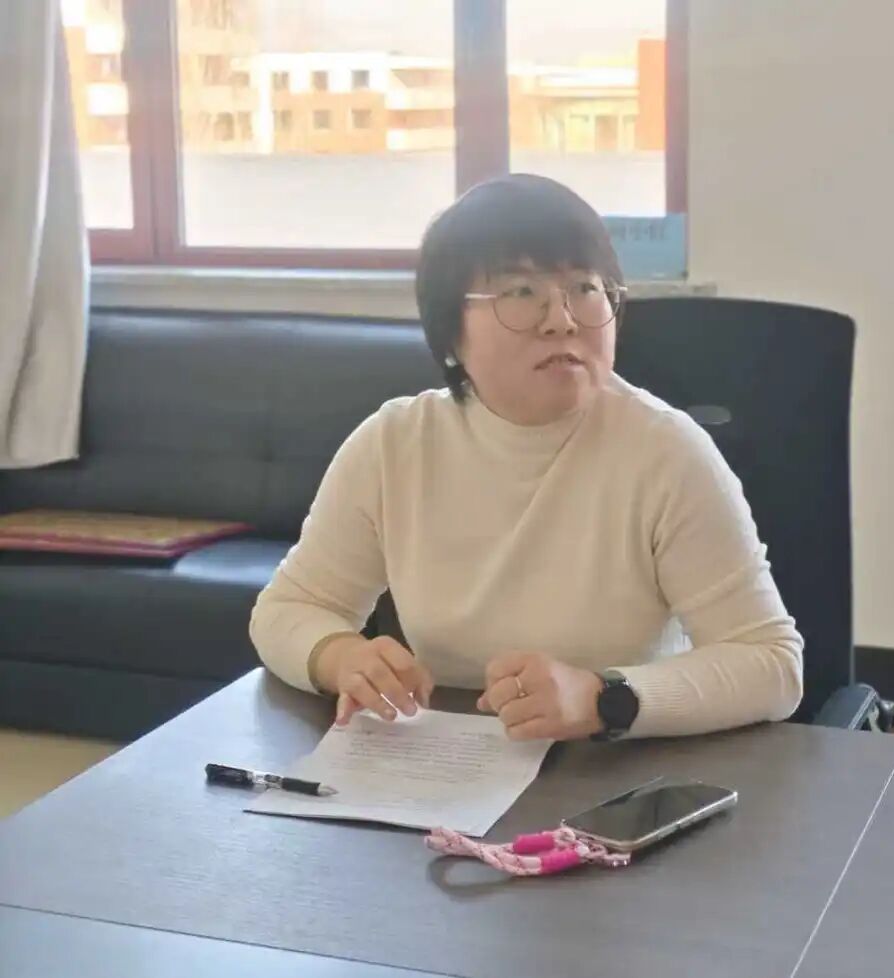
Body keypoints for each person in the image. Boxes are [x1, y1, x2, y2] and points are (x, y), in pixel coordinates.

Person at [250, 174, 803, 742]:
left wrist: (604, 699)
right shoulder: (395, 445)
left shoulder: (666, 452)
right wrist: (340, 656)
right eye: (520, 292)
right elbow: (288, 608)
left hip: (617, 769)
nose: (561, 318)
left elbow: (772, 664)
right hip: (448, 764)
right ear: (450, 333)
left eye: (584, 288)